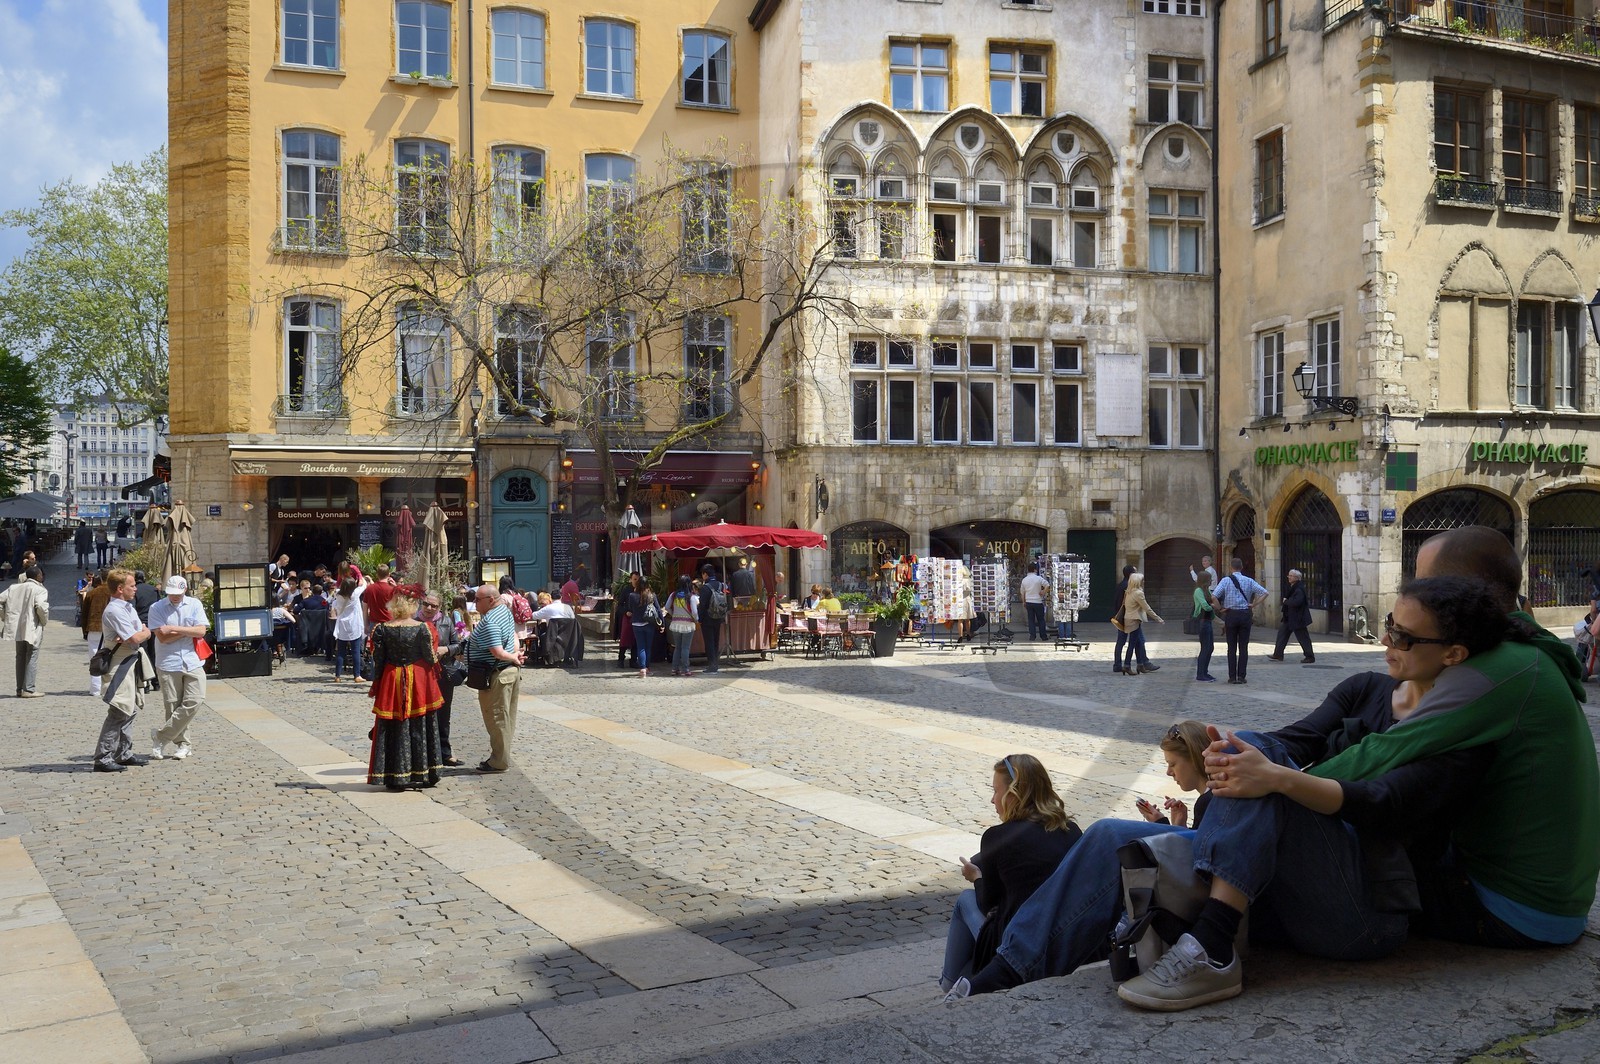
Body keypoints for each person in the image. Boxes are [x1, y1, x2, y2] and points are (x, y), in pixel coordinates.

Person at [963, 575, 1518, 1010]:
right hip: (1279, 887)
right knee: (1114, 831)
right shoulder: (1365, 689)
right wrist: (1226, 749)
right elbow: (1292, 740)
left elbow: (1383, 807)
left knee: (1263, 762)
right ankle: (1003, 974)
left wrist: (1274, 774)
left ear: (1453, 654)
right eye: (1389, 625)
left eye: (1404, 637)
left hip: (1363, 909)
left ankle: (1214, 944)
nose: (1387, 641)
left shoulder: (1460, 734)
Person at [1358, 525, 1600, 950]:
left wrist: (1276, 780)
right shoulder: (1526, 647)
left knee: (1336, 855)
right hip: (1552, 903)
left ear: (1460, 592)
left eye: (1422, 582)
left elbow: (1382, 755)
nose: (1411, 592)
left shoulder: (1495, 669)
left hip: (1513, 910)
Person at [941, 755, 1082, 998]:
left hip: (1016, 941)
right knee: (972, 968)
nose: (992, 799)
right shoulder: (1070, 830)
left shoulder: (998, 837)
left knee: (965, 900)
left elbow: (988, 904)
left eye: (996, 791)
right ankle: (964, 981)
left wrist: (976, 877)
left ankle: (948, 982)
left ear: (1014, 794)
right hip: (1062, 935)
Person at [365, 594, 443, 791]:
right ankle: (425, 772)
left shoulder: (381, 629)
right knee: (420, 723)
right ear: (413, 606)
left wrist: (377, 683)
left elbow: (379, 661)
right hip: (417, 681)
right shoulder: (422, 628)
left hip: (392, 679)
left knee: (392, 724)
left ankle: (392, 775)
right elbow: (430, 657)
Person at [91, 570, 152, 772]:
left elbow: (135, 634)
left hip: (130, 660)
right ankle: (103, 757)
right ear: (120, 588)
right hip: (119, 662)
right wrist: (145, 633)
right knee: (118, 709)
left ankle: (123, 753)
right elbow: (136, 637)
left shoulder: (127, 607)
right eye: (132, 585)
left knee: (130, 709)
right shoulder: (115, 610)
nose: (135, 588)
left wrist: (140, 633)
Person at [148, 576, 209, 761]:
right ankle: (183, 744)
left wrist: (175, 628)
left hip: (192, 660)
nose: (174, 597)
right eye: (171, 594)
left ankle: (161, 736)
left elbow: (201, 631)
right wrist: (187, 631)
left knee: (195, 700)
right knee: (173, 705)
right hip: (168, 661)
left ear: (184, 591)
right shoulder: (156, 608)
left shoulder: (194, 604)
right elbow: (162, 638)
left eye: (178, 594)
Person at [467, 583, 524, 772]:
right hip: (509, 673)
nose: (474, 603)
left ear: (490, 600)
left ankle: (499, 761)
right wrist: (515, 653)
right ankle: (501, 756)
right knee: (506, 718)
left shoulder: (490, 620)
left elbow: (497, 651)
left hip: (496, 675)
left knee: (496, 718)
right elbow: (514, 636)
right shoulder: (504, 611)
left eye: (477, 600)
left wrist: (512, 656)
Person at [1135, 721, 1212, 828]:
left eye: (1172, 764)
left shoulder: (1207, 803)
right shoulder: (1214, 795)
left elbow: (1198, 845)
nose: (1168, 772)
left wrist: (1160, 824)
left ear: (1194, 759)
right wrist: (1179, 827)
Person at [418, 593, 465, 767]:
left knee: (443, 713)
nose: (429, 608)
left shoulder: (446, 621)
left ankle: (445, 753)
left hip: (443, 673)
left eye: (433, 606)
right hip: (421, 674)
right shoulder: (415, 621)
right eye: (426, 604)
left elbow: (458, 645)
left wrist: (446, 649)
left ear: (439, 607)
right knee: (422, 713)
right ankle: (424, 753)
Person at [1210, 558, 1267, 684]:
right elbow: (1264, 592)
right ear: (1241, 567)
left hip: (1231, 614)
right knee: (1243, 646)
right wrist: (1254, 604)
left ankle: (1232, 676)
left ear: (1231, 567)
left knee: (1231, 647)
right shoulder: (1249, 581)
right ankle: (1242, 676)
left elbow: (1214, 596)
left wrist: (1220, 609)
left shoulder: (1226, 580)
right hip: (1245, 614)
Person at [0, 565, 50, 697]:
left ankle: (19, 688)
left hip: (17, 628)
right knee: (32, 655)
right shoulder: (40, 590)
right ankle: (28, 688)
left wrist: (5, 617)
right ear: (38, 576)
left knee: (20, 656)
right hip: (32, 626)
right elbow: (41, 607)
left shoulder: (14, 588)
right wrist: (43, 621)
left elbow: (0, 600)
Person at [1117, 573, 1163, 675]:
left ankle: (1140, 665)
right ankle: (1127, 665)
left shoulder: (1128, 592)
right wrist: (1157, 618)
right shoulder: (1138, 593)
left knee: (1138, 643)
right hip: (1134, 620)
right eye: (1142, 580)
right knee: (1132, 644)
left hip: (1128, 618)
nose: (1144, 582)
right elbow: (1147, 608)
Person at [1269, 568, 1315, 663]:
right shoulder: (1294, 587)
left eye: (1291, 576)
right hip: (1289, 617)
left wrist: (1286, 601)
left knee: (1303, 638)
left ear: (1297, 578)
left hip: (1298, 618)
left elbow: (1297, 602)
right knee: (1282, 634)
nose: (1289, 577)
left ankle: (1310, 656)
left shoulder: (1299, 589)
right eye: (1288, 575)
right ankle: (1278, 654)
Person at [1111, 565, 1150, 673]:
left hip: (1123, 618)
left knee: (1122, 642)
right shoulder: (1129, 587)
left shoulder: (1120, 585)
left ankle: (1118, 664)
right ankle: (1140, 663)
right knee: (1138, 641)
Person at [329, 576, 367, 683]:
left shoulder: (338, 594)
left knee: (341, 651)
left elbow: (337, 587)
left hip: (342, 625)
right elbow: (364, 585)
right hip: (354, 624)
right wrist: (361, 576)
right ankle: (357, 675)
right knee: (355, 651)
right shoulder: (355, 594)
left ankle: (337, 676)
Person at [81, 569, 111, 697]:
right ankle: (109, 687)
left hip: (93, 627)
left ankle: (95, 688)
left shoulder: (91, 593)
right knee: (111, 657)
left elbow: (84, 615)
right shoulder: (114, 593)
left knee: (94, 657)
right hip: (110, 629)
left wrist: (85, 632)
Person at [664, 575, 699, 677]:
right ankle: (685, 669)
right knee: (685, 648)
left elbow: (666, 607)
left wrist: (673, 614)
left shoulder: (673, 595)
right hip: (688, 624)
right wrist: (695, 620)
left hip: (675, 624)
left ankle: (674, 669)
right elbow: (695, 612)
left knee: (677, 647)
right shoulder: (691, 597)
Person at [699, 565, 728, 673]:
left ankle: (711, 665)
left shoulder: (705, 588)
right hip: (719, 617)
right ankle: (715, 664)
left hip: (707, 618)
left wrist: (700, 619)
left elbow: (702, 605)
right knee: (716, 641)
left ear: (705, 574)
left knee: (709, 642)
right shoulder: (721, 585)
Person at [1191, 572, 1217, 682]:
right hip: (1202, 621)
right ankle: (1200, 674)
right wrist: (1212, 606)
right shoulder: (1198, 591)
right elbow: (1205, 606)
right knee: (1205, 648)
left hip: (1208, 621)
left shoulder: (1206, 591)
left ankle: (1205, 672)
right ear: (1205, 580)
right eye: (1210, 579)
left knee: (1210, 648)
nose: (1211, 581)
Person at [633, 587, 662, 677]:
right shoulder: (652, 595)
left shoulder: (632, 596)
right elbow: (658, 609)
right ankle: (647, 668)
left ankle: (642, 669)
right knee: (648, 647)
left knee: (640, 646)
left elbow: (630, 608)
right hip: (649, 623)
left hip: (636, 624)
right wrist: (662, 623)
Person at [361, 563, 398, 633]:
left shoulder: (369, 589)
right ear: (389, 574)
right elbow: (398, 605)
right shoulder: (392, 589)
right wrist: (396, 587)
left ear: (377, 575)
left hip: (374, 624)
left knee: (375, 644)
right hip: (389, 623)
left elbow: (365, 609)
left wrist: (365, 625)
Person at [1020, 563, 1050, 642]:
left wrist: (1024, 602)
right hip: (1038, 601)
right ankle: (1043, 636)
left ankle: (1032, 636)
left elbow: (1022, 593)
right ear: (1035, 570)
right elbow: (1047, 585)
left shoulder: (1024, 580)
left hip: (1029, 601)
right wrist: (1043, 591)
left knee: (1031, 620)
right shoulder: (1038, 578)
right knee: (1041, 619)